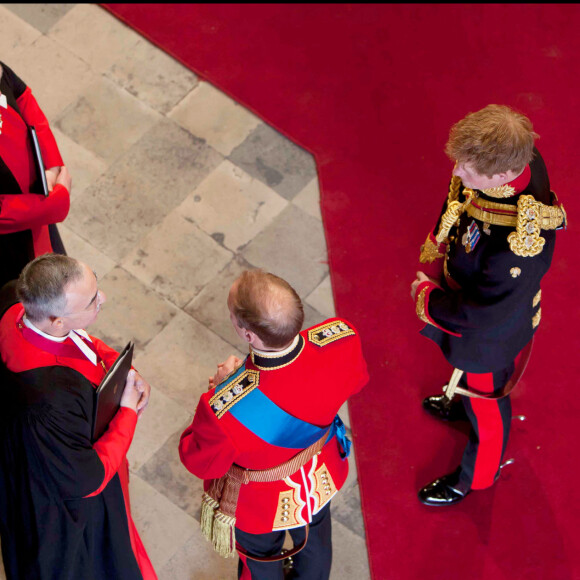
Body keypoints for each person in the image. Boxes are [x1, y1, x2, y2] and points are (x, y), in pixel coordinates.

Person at [411, 104, 566, 506]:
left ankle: (476, 477)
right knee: (471, 387)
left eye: (468, 168)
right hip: (478, 297)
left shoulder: (517, 249)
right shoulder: (518, 156)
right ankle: (460, 401)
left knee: (489, 404)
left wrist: (430, 297)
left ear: (501, 175)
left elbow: (483, 312)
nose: (457, 172)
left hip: (490, 335)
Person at [179, 269, 369, 579]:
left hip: (262, 503)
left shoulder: (224, 410)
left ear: (248, 335)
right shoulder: (342, 337)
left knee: (261, 560)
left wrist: (224, 389)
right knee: (317, 537)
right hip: (319, 473)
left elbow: (197, 459)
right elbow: (358, 379)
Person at [0, 254, 157, 579]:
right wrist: (127, 410)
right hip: (62, 490)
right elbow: (89, 479)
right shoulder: (52, 400)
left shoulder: (13, 300)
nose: (103, 299)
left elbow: (83, 343)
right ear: (57, 321)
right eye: (91, 301)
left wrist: (116, 362)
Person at [0, 61, 71, 288]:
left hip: (38, 212)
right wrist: (49, 205)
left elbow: (22, 95)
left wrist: (51, 168)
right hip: (9, 245)